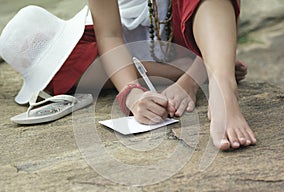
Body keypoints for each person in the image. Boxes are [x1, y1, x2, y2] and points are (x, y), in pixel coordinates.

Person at [83, 0, 256, 150]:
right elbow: (109, 35)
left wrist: (190, 82)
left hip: (192, 27)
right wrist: (132, 93)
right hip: (135, 45)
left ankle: (223, 87)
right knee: (68, 63)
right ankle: (209, 63)